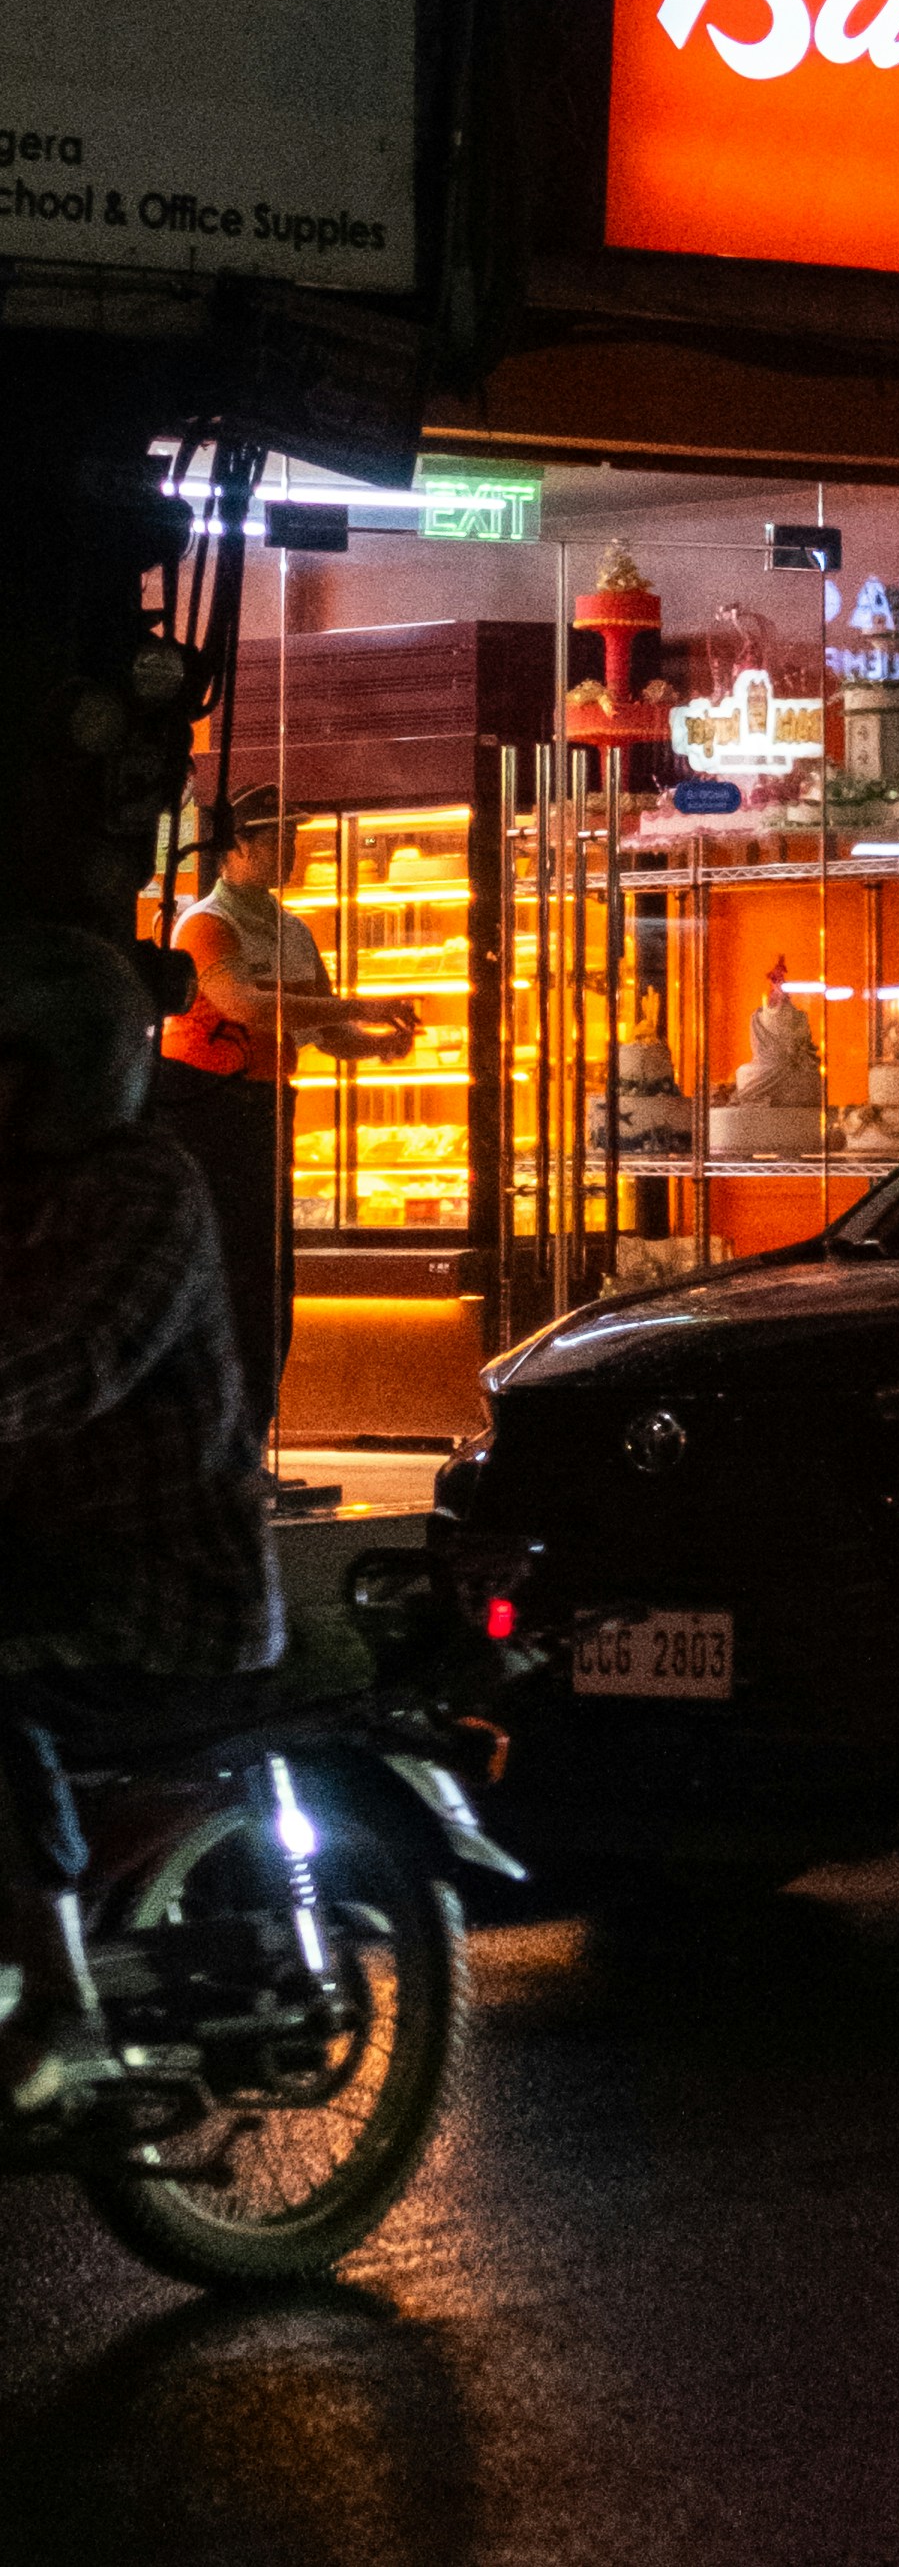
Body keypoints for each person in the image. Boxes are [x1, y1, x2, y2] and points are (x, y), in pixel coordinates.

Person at [0, 921, 281, 2114]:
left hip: (159, 1589)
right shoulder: (21, 1189)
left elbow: (72, 1360)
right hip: (42, 1562)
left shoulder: (143, 1191)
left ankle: (60, 1998)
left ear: (55, 1071)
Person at [162, 786, 410, 1434]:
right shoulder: (204, 924)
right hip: (209, 1115)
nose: (292, 851)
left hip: (268, 1112)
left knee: (271, 1281)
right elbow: (246, 1005)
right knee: (230, 1272)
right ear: (234, 848)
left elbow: (324, 1036)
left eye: (295, 839)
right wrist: (357, 1008)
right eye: (278, 839)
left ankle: (255, 1425)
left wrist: (378, 1046)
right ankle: (217, 1429)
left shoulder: (294, 931)